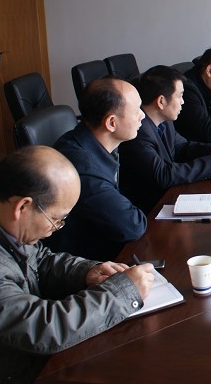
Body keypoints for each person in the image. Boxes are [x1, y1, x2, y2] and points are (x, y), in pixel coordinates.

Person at [0, 146, 155, 384]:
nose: (55, 229)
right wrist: (122, 293)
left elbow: (39, 260)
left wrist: (86, 272)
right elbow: (41, 328)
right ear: (23, 206)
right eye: (56, 219)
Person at [48, 77, 148, 261]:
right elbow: (132, 226)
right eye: (136, 110)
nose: (143, 115)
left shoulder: (88, 140)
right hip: (84, 263)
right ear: (111, 123)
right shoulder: (83, 167)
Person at [119, 65, 211, 213]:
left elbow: (182, 147)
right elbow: (163, 175)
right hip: (150, 209)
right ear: (161, 101)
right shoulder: (138, 132)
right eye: (180, 96)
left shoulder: (165, 121)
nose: (183, 101)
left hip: (170, 196)